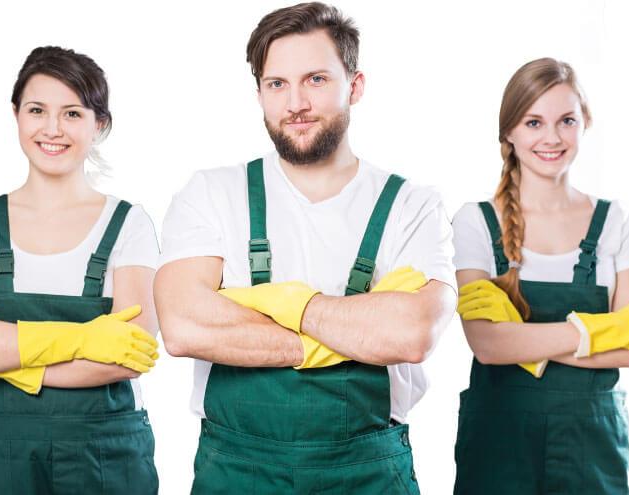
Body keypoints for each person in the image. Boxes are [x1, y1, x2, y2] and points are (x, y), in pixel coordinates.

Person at [154, 3, 457, 493]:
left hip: (367, 471)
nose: (295, 102)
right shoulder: (211, 193)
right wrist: (353, 336)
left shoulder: (411, 205)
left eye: (315, 79)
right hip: (237, 471)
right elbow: (184, 325)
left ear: (354, 85)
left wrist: (277, 304)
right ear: (259, 93)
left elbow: (412, 333)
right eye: (277, 84)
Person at [0, 46, 161, 494]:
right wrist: (81, 339)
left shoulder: (130, 224)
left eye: (72, 113)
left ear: (100, 124)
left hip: (105, 457)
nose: (52, 129)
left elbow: (130, 353)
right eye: (37, 110)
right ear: (16, 115)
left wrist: (0, 352)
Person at [451, 58, 629, 494]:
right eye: (534, 122)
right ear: (508, 131)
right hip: (499, 445)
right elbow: (487, 345)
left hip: (594, 448)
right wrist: (600, 332)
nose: (551, 137)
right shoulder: (474, 223)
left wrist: (522, 341)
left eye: (566, 120)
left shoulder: (616, 223)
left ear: (585, 123)